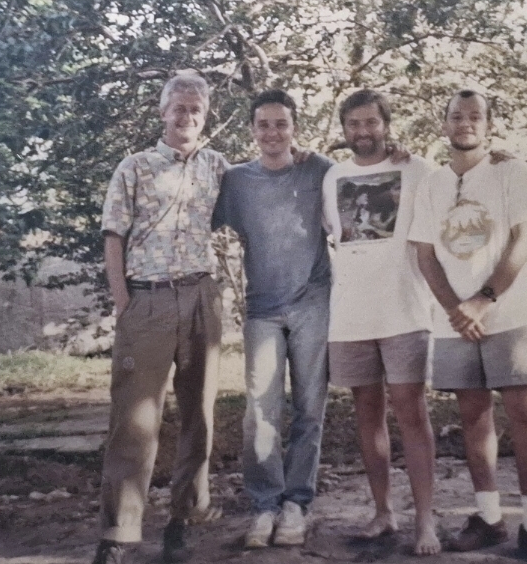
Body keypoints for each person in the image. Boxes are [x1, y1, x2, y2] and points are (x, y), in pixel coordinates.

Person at [408, 90, 527, 564]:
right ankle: (488, 518)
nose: (466, 123)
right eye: (456, 116)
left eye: (475, 116)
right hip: (455, 322)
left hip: (508, 315)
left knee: (524, 413)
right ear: (444, 125)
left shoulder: (508, 171)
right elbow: (424, 254)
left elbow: (524, 237)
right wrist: (456, 309)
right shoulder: (432, 183)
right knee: (473, 416)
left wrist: (484, 300)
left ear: (488, 124)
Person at [94, 71, 227, 564]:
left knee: (199, 414)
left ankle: (183, 520)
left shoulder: (217, 167)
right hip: (146, 301)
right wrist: (123, 301)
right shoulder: (134, 167)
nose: (186, 116)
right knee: (135, 420)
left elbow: (265, 184)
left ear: (204, 114)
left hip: (200, 298)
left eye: (195, 109)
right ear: (162, 111)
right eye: (178, 107)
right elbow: (113, 237)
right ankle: (118, 535)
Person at [321, 89, 441, 556]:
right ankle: (383, 512)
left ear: (386, 125)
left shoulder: (417, 170)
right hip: (350, 316)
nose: (363, 132)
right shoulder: (333, 176)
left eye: (371, 122)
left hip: (405, 310)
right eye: (354, 124)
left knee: (412, 414)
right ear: (344, 128)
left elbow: (461, 183)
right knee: (366, 416)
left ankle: (425, 521)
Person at [212, 89, 334, 549]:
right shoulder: (237, 181)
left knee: (309, 407)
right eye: (263, 124)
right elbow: (195, 213)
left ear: (294, 127)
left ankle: (296, 503)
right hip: (263, 307)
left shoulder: (319, 168)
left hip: (313, 302)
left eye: (281, 123)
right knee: (259, 411)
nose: (272, 133)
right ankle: (265, 505)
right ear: (252, 130)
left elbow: (366, 179)